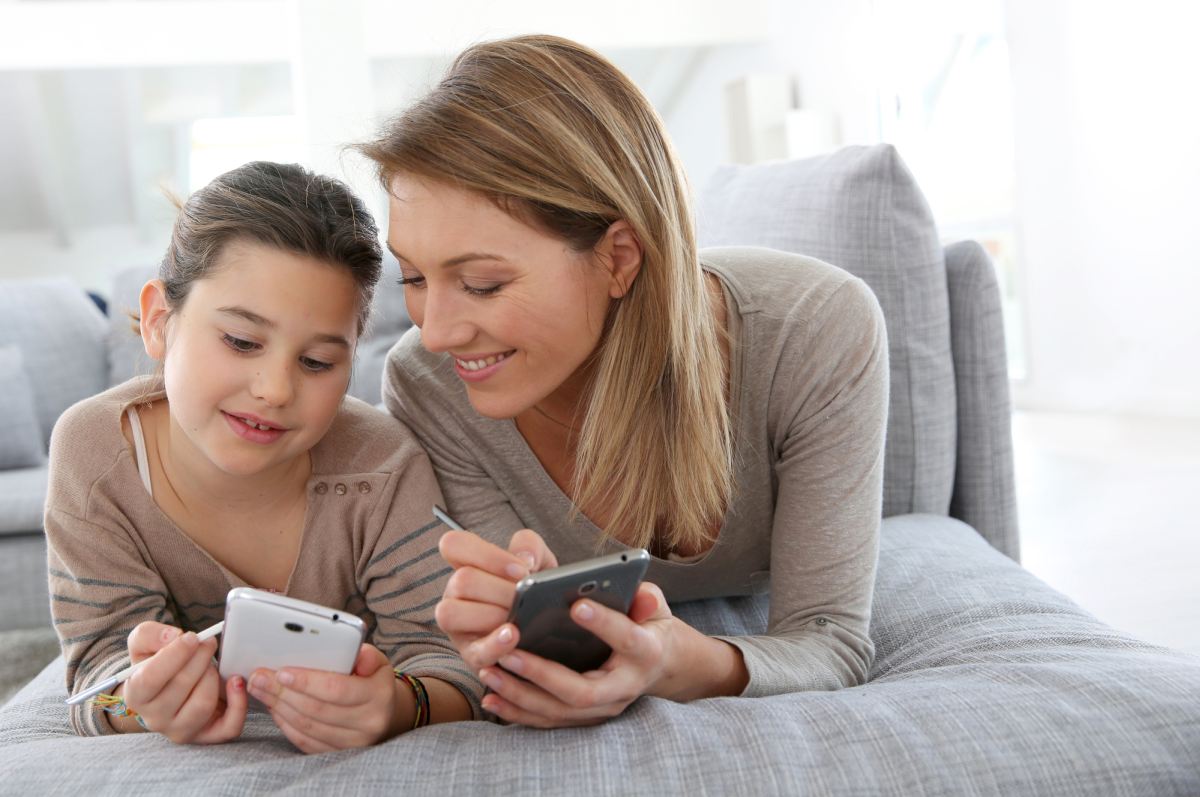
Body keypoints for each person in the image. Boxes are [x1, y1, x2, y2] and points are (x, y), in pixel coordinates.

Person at [361, 34, 889, 729]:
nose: (437, 331)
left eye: (482, 283)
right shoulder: (427, 384)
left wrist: (679, 663)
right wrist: (497, 644)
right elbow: (520, 637)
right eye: (416, 278)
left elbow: (831, 638)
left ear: (618, 257)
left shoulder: (816, 329)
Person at [45, 161, 481, 751]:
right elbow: (98, 670)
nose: (275, 390)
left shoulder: (383, 466)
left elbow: (452, 664)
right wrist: (145, 705)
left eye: (318, 362)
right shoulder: (96, 452)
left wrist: (397, 706)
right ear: (157, 321)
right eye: (242, 341)